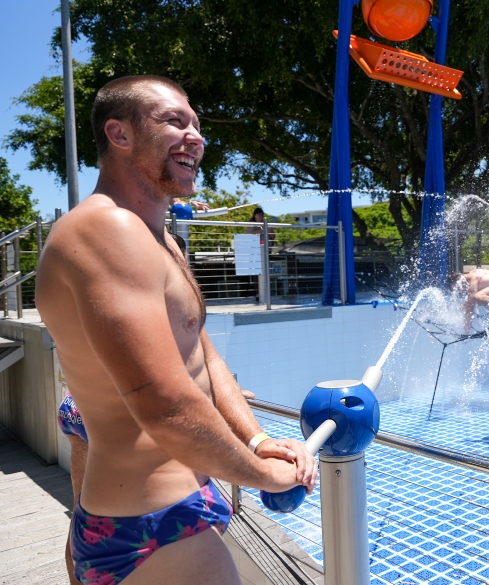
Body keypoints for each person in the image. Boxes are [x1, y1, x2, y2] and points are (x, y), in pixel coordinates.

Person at [36, 75, 317, 585]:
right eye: (174, 121)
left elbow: (204, 358)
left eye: (198, 125)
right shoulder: (105, 229)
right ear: (120, 135)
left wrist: (256, 441)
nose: (197, 137)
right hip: (145, 524)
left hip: (181, 499)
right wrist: (260, 476)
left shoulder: (163, 241)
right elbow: (163, 405)